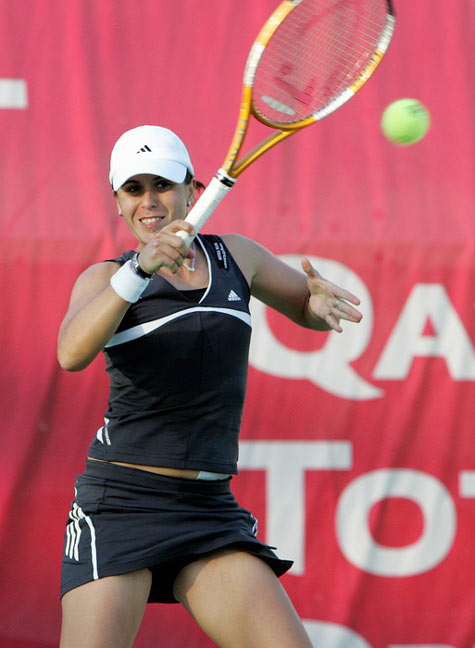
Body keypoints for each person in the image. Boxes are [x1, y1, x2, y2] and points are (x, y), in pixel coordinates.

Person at [57, 125, 362, 648]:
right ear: (119, 202)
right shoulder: (103, 278)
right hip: (123, 503)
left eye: (163, 185)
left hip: (207, 509)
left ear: (192, 190)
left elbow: (304, 307)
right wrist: (138, 272)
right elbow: (71, 353)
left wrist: (314, 306)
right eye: (134, 189)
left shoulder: (237, 257)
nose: (150, 202)